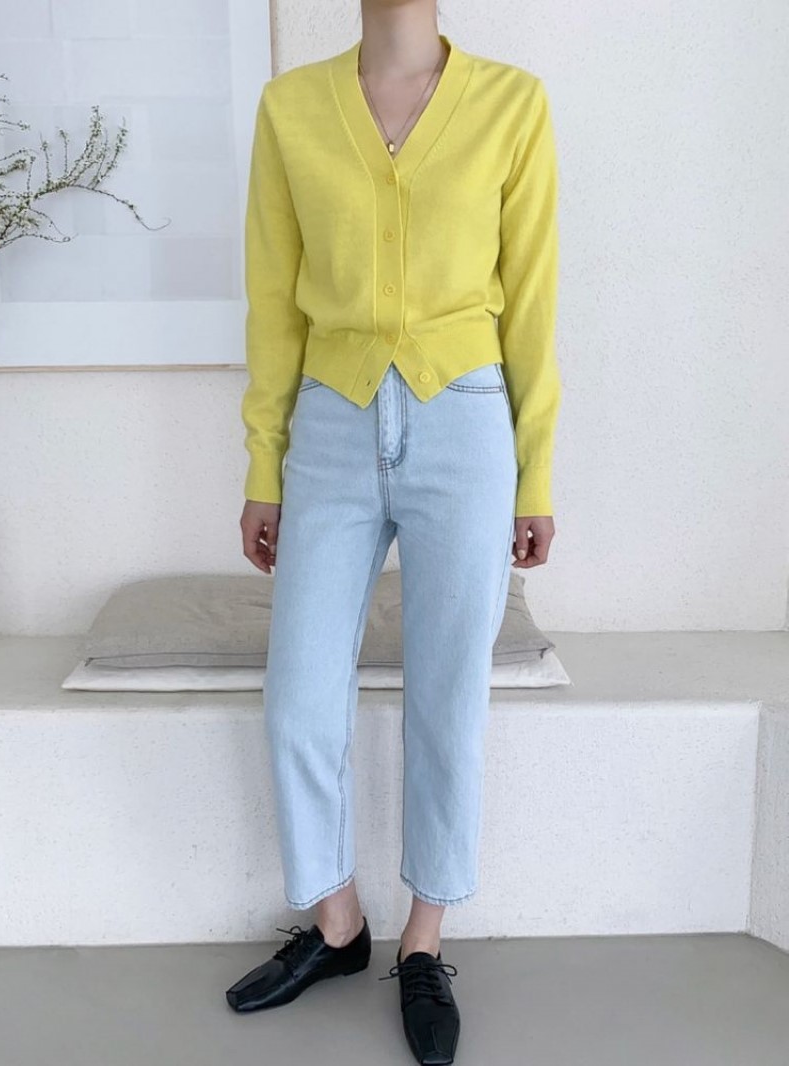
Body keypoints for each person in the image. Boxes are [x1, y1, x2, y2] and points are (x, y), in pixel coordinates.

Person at [225, 2, 560, 1062]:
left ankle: (424, 941)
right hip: (328, 420)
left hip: (465, 420)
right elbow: (273, 302)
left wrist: (536, 472)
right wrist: (264, 464)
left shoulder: (511, 103)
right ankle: (338, 924)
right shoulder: (290, 108)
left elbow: (532, 301)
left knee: (447, 695)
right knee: (297, 693)